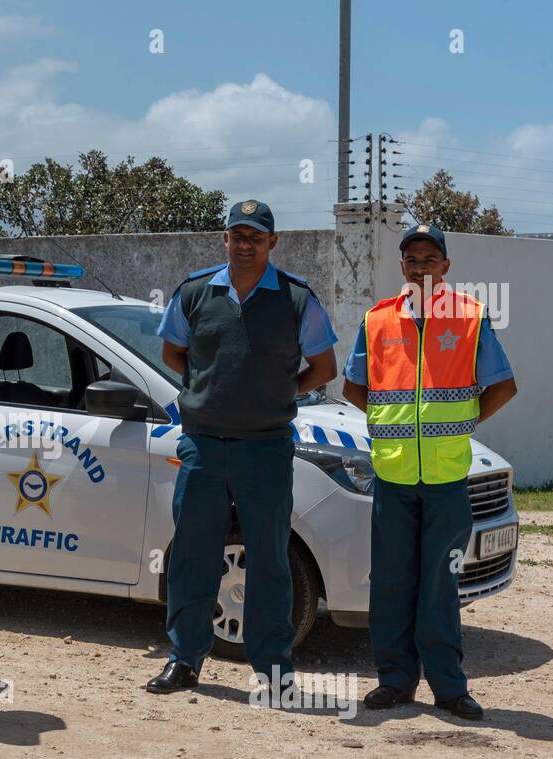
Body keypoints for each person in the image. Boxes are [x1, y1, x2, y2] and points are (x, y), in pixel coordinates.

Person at [146, 200, 339, 697]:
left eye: (256, 236)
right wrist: (205, 388)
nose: (245, 244)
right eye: (237, 235)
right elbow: (172, 351)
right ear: (225, 240)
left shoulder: (297, 299)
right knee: (192, 555)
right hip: (203, 447)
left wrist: (282, 393)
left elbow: (323, 365)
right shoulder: (195, 291)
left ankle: (273, 670)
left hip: (267, 448)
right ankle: (184, 660)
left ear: (273, 242)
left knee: (270, 560)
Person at [342, 224, 517, 720]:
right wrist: (386, 421)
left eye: (429, 258)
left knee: (441, 582)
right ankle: (395, 681)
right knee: (392, 582)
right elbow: (356, 386)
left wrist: (464, 422)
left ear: (446, 266)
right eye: (411, 259)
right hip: (394, 477)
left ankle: (448, 687)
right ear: (402, 267)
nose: (420, 267)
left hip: (445, 478)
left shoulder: (470, 317)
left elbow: (503, 386)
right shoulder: (377, 320)